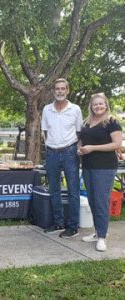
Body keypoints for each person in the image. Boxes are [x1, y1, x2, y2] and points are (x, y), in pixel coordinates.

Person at [78, 93, 122, 251]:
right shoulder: (86, 122)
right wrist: (80, 149)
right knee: (92, 201)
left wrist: (92, 148)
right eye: (95, 104)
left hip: (105, 167)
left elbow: (116, 144)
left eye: (100, 104)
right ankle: (97, 232)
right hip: (88, 167)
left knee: (101, 202)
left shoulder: (111, 122)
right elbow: (82, 141)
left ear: (106, 105)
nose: (98, 106)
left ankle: (102, 237)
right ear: (91, 106)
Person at [41, 78, 83, 238]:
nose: (60, 91)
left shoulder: (75, 109)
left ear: (67, 90)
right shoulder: (46, 110)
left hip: (70, 152)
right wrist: (51, 146)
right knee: (54, 189)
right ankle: (58, 223)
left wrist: (76, 148)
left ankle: (73, 227)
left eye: (63, 88)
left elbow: (79, 132)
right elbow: (45, 131)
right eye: (57, 88)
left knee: (73, 190)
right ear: (53, 91)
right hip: (51, 152)